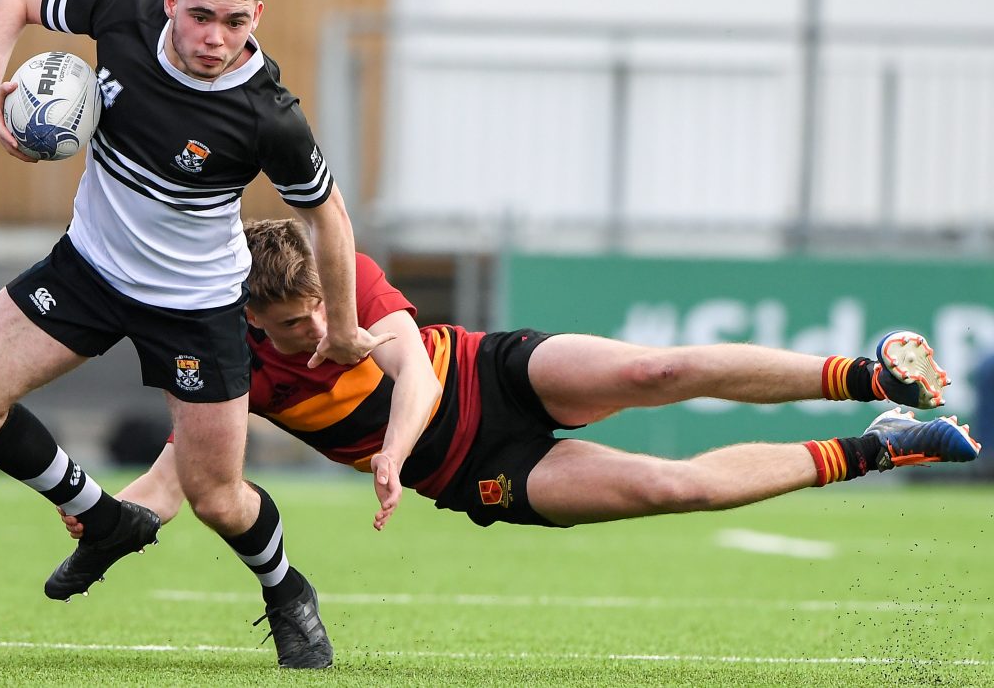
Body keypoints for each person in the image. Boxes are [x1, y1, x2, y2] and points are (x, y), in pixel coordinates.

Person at [0, 0, 392, 670]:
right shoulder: (122, 9)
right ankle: (101, 517)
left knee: (216, 497)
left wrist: (344, 327)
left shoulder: (267, 114)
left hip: (196, 306)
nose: (215, 39)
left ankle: (287, 591)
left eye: (235, 22)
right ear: (171, 1)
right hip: (88, 271)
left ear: (258, 17)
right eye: (200, 16)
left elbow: (328, 216)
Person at [62, 218, 980, 546]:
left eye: (318, 311)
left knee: (654, 368)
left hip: (485, 373)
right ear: (252, 320)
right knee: (675, 488)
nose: (317, 331)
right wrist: (116, 514)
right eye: (294, 326)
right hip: (474, 472)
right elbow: (192, 463)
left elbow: (413, 373)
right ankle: (879, 449)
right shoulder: (233, 359)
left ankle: (868, 373)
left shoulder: (351, 283)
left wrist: (389, 452)